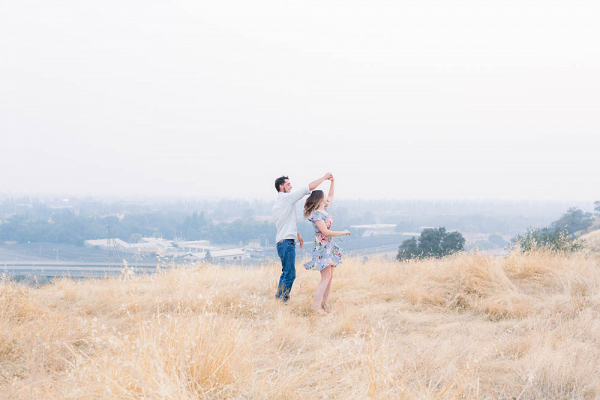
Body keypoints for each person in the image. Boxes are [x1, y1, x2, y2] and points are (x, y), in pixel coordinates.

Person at [272, 173, 332, 302]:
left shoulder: (279, 203)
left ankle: (279, 299)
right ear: (281, 186)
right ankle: (283, 300)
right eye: (288, 184)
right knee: (290, 274)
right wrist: (324, 178)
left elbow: (283, 223)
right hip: (286, 243)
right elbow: (307, 188)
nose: (291, 186)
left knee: (286, 272)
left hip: (283, 241)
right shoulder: (285, 198)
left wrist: (296, 234)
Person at [303, 175, 350, 314]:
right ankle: (316, 306)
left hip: (329, 247)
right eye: (324, 196)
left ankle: (324, 303)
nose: (326, 197)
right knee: (325, 278)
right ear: (320, 199)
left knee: (329, 278)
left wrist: (333, 181)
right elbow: (325, 232)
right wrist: (343, 232)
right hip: (323, 248)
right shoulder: (316, 214)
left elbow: (331, 195)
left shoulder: (324, 209)